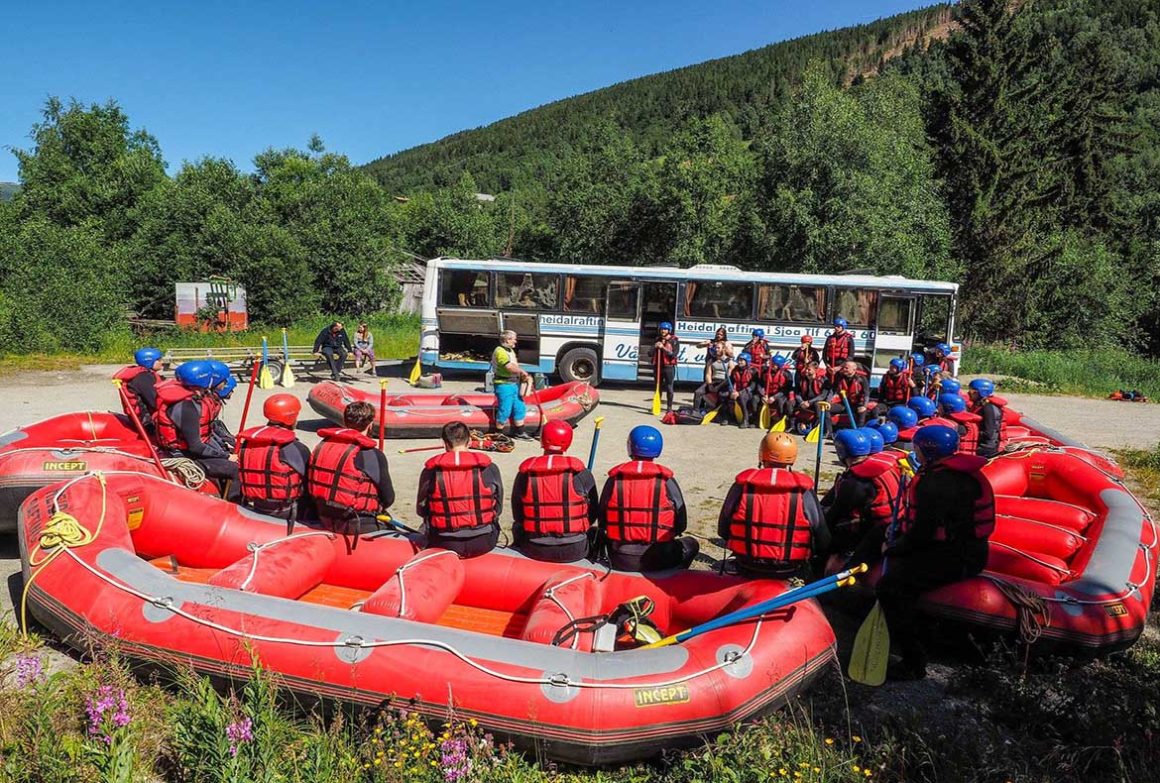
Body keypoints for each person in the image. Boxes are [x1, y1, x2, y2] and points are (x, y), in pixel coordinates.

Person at [877, 425, 994, 680]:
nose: (913, 450)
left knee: (890, 588)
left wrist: (894, 548)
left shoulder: (935, 482)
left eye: (916, 447)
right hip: (964, 550)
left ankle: (912, 662)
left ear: (927, 450)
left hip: (956, 557)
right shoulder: (957, 473)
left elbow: (923, 532)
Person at [717, 431, 828, 579]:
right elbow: (822, 537)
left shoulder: (742, 485)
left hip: (746, 564)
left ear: (762, 454)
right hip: (790, 568)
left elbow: (723, 529)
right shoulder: (803, 491)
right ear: (792, 458)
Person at [598, 425, 698, 572]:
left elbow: (602, 519)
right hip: (659, 557)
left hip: (619, 557)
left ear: (630, 447)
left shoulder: (615, 479)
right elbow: (681, 523)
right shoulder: (666, 480)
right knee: (692, 544)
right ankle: (674, 575)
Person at [511, 420, 599, 563]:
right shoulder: (582, 474)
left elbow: (518, 515)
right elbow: (593, 513)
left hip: (534, 548)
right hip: (575, 549)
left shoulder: (526, 473)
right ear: (568, 442)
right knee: (595, 532)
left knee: (517, 526)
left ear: (542, 440)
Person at [154, 360, 240, 500]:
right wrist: (226, 456)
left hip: (186, 451)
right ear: (204, 380)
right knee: (235, 469)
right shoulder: (187, 407)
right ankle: (234, 507)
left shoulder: (188, 398)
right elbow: (196, 447)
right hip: (184, 456)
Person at [416, 421, 504, 558]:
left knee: (424, 527)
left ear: (444, 443)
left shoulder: (430, 471)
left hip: (443, 542)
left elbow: (421, 510)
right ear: (469, 442)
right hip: (484, 541)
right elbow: (498, 508)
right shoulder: (490, 468)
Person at [307, 401, 395, 536]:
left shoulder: (323, 445)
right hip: (356, 523)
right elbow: (388, 498)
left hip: (322, 516)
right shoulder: (371, 455)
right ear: (370, 424)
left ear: (344, 421)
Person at [822, 429, 903, 570]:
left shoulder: (856, 481)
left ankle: (833, 577)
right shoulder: (888, 466)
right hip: (896, 522)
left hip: (877, 530)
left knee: (832, 535)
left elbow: (835, 514)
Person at [237, 394, 311, 521]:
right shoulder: (295, 447)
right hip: (287, 512)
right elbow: (310, 480)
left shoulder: (248, 443)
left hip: (257, 506)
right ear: (291, 418)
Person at [491, 330, 535, 441]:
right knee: (505, 409)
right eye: (514, 339)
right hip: (504, 385)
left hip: (514, 383)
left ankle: (520, 432)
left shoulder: (510, 350)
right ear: (507, 339)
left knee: (519, 407)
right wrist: (522, 372)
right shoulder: (500, 351)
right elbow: (509, 367)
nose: (515, 341)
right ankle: (498, 433)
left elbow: (514, 365)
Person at [113, 347, 164, 430]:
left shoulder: (145, 375)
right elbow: (156, 403)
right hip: (148, 422)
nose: (162, 362)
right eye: (159, 360)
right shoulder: (143, 378)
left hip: (147, 418)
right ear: (149, 361)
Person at [968, 378, 1005, 457]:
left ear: (981, 392)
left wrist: (969, 433)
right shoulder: (979, 404)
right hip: (981, 443)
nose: (969, 392)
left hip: (986, 448)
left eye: (972, 390)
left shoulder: (988, 408)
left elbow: (989, 433)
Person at [830, 360, 869, 428]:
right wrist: (829, 400)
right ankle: (829, 430)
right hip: (844, 403)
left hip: (857, 404)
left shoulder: (862, 379)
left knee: (862, 411)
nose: (844, 369)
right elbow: (833, 390)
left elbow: (866, 394)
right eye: (844, 368)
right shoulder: (839, 377)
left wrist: (864, 406)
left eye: (846, 368)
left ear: (854, 369)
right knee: (826, 408)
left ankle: (859, 429)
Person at [793, 361, 829, 433]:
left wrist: (809, 402)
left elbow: (823, 395)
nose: (806, 371)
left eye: (809, 369)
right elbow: (797, 393)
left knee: (817, 405)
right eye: (806, 369)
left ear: (815, 370)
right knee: (791, 403)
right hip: (804, 401)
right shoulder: (802, 379)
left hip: (817, 401)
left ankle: (818, 427)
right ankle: (792, 425)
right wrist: (801, 402)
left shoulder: (823, 380)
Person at [653, 322, 680, 414]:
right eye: (661, 329)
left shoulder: (674, 341)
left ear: (669, 330)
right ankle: (657, 405)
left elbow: (674, 355)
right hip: (658, 366)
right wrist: (655, 347)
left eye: (665, 329)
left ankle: (669, 407)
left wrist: (663, 348)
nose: (663, 331)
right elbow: (650, 354)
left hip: (669, 367)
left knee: (669, 387)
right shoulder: (658, 339)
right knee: (658, 386)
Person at [728, 352, 760, 428]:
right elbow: (731, 383)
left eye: (742, 360)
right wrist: (732, 391)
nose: (739, 362)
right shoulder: (735, 370)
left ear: (747, 361)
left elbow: (752, 386)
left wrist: (739, 393)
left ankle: (746, 420)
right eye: (739, 360)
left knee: (742, 396)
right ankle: (728, 417)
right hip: (738, 392)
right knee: (725, 395)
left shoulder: (753, 371)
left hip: (751, 392)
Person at [760, 355, 795, 424]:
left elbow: (787, 389)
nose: (771, 366)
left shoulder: (786, 374)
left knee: (780, 401)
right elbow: (760, 385)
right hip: (768, 394)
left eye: (774, 364)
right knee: (755, 399)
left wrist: (774, 397)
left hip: (781, 394)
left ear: (779, 365)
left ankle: (781, 420)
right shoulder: (765, 372)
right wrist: (763, 394)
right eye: (771, 364)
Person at [694, 349, 731, 415]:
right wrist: (710, 385)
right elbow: (708, 374)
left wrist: (718, 387)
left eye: (718, 348)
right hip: (713, 381)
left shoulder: (729, 361)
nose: (716, 349)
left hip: (723, 382)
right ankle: (696, 411)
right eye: (716, 348)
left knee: (723, 395)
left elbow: (729, 377)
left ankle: (723, 415)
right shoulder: (711, 361)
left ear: (724, 349)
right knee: (698, 392)